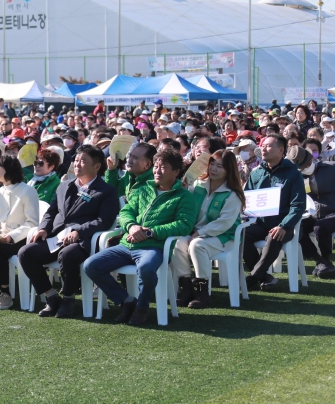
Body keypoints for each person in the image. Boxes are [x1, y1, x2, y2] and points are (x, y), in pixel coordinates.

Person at [84, 149, 195, 326]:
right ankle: (127, 301)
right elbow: (127, 212)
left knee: (145, 267)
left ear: (176, 171)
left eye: (163, 168)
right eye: (156, 167)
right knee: (91, 265)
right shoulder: (143, 189)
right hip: (127, 244)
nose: (157, 171)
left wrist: (150, 232)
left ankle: (142, 308)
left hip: (153, 247)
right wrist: (132, 227)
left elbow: (184, 225)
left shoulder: (184, 197)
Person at [19, 144, 119, 317]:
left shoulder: (106, 191)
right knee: (26, 252)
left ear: (96, 166)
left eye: (83, 161)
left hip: (82, 241)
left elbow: (104, 220)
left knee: (68, 254)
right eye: (76, 160)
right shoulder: (65, 186)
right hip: (56, 237)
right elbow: (52, 212)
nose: (78, 164)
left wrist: (79, 231)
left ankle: (68, 298)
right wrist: (43, 229)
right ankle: (51, 297)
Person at [172, 150, 244, 309]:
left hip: (224, 237)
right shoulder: (198, 185)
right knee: (177, 243)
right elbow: (185, 206)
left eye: (220, 166)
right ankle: (187, 288)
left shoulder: (232, 194)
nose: (214, 169)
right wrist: (184, 189)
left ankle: (202, 293)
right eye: (212, 163)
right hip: (196, 233)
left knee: (197, 245)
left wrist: (199, 233)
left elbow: (224, 223)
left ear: (229, 170)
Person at [0, 156, 40, 310]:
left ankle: (6, 294)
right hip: (2, 237)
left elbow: (32, 222)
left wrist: (11, 236)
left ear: (9, 169)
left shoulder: (28, 190)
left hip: (23, 238)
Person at [243, 136, 306, 290]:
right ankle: (265, 277)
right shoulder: (256, 173)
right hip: (259, 223)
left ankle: (253, 277)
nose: (263, 149)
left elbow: (298, 205)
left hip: (285, 226)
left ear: (281, 150)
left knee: (274, 235)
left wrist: (284, 225)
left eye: (268, 146)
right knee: (241, 234)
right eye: (262, 146)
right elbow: (247, 200)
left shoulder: (293, 174)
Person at [293, 147, 335, 279]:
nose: (304, 168)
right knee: (295, 227)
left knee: (320, 227)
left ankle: (326, 258)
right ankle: (321, 261)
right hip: (313, 212)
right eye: (300, 167)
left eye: (305, 165)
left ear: (311, 160)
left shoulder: (333, 167)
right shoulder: (299, 176)